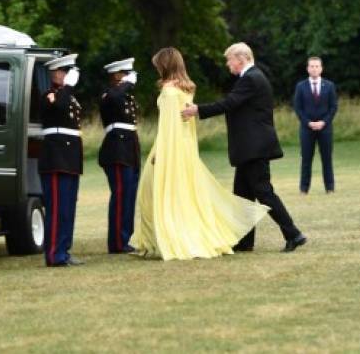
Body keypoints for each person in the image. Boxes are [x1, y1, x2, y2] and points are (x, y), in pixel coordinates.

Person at [130, 47, 269, 260]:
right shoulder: (186, 89)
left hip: (171, 147)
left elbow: (167, 127)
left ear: (164, 66)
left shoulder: (168, 91)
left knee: (155, 192)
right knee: (187, 193)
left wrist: (160, 151)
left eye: (157, 65)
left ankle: (171, 237)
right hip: (185, 148)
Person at [183, 42, 307, 252]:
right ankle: (245, 242)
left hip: (254, 148)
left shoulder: (250, 79)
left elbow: (229, 103)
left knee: (264, 193)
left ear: (241, 59)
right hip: (249, 149)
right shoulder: (252, 77)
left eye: (229, 60)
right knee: (242, 196)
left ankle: (293, 234)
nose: (227, 64)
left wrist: (198, 110)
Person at [38, 53, 84, 266]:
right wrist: (68, 87)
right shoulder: (50, 95)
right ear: (56, 73)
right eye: (65, 71)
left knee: (68, 207)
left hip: (70, 158)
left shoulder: (67, 96)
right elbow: (58, 108)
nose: (67, 76)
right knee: (57, 208)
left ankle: (64, 250)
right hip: (56, 157)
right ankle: (54, 254)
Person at [98, 57, 140, 254]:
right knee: (121, 195)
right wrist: (128, 84)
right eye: (125, 74)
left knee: (129, 196)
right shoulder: (109, 94)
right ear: (116, 76)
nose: (129, 78)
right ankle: (116, 242)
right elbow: (114, 98)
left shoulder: (126, 97)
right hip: (116, 149)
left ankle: (125, 238)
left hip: (130, 148)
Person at [293, 56, 338, 194]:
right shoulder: (301, 86)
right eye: (311, 66)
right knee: (306, 159)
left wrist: (323, 122)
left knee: (327, 158)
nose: (314, 69)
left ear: (321, 69)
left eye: (317, 66)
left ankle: (329, 188)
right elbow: (298, 107)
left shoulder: (329, 86)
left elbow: (333, 107)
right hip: (307, 129)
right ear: (307, 69)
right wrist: (308, 122)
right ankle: (304, 189)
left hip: (325, 128)